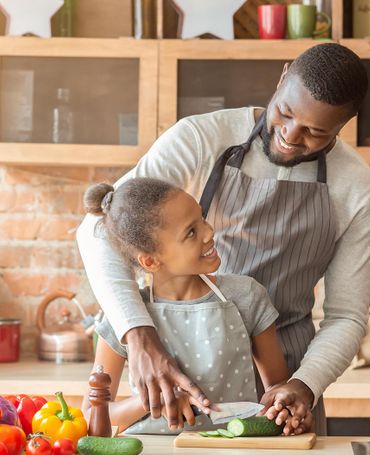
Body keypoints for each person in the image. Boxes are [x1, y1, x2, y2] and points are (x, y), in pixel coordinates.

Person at [77, 43, 370, 435]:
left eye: (315, 132)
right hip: (177, 360)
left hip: (285, 380)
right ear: (282, 76)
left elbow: (345, 316)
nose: (290, 136)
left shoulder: (359, 191)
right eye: (285, 112)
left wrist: (304, 385)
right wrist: (138, 334)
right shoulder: (201, 137)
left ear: (346, 122)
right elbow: (100, 228)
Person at [81, 178, 291, 434]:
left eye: (202, 218)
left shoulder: (246, 295)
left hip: (233, 453)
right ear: (150, 261)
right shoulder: (125, 318)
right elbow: (92, 414)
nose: (209, 232)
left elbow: (278, 389)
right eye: (191, 232)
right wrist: (154, 400)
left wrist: (284, 410)